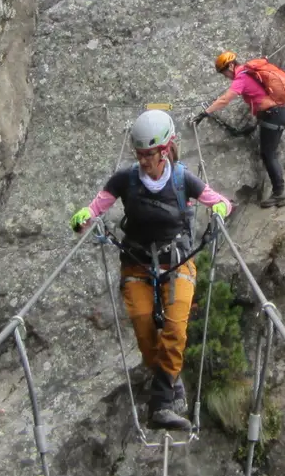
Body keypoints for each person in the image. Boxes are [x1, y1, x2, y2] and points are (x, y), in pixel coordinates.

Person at [72, 110, 232, 431]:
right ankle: (172, 382)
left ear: (166, 148)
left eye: (150, 154)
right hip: (136, 262)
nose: (144, 160)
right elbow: (98, 205)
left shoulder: (183, 178)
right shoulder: (124, 179)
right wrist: (84, 217)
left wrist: (218, 208)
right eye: (140, 154)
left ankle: (160, 404)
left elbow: (222, 202)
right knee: (145, 329)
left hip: (178, 261)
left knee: (174, 327)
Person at [195, 51, 285, 208]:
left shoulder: (242, 77)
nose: (226, 76)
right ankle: (278, 192)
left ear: (231, 66)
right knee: (268, 153)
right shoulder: (248, 74)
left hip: (272, 115)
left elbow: (226, 99)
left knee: (269, 154)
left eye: (225, 72)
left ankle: (279, 193)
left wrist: (205, 113)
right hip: (275, 115)